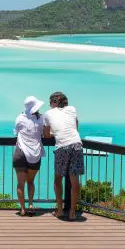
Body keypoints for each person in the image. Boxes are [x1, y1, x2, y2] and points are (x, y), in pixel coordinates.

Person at [44, 91, 84, 221]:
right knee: (74, 180)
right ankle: (72, 212)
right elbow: (75, 127)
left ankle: (60, 210)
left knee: (57, 179)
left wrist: (54, 133)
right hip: (76, 144)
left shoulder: (48, 114)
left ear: (53, 102)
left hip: (62, 147)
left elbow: (46, 135)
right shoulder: (72, 109)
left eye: (50, 103)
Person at [13, 96, 45, 216]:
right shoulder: (41, 119)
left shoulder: (20, 118)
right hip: (35, 154)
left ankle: (22, 209)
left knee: (20, 184)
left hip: (20, 153)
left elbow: (15, 132)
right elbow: (44, 133)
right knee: (30, 181)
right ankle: (31, 205)